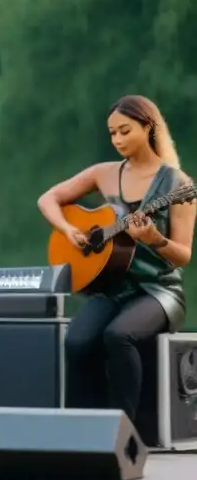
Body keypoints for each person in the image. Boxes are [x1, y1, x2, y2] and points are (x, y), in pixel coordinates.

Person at [37, 95, 195, 425]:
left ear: (148, 127)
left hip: (159, 291)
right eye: (112, 133)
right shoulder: (104, 173)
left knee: (118, 335)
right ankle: (83, 430)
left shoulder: (178, 185)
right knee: (77, 340)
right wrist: (67, 229)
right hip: (111, 287)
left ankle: (125, 431)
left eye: (125, 131)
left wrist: (156, 240)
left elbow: (182, 255)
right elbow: (48, 199)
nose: (117, 140)